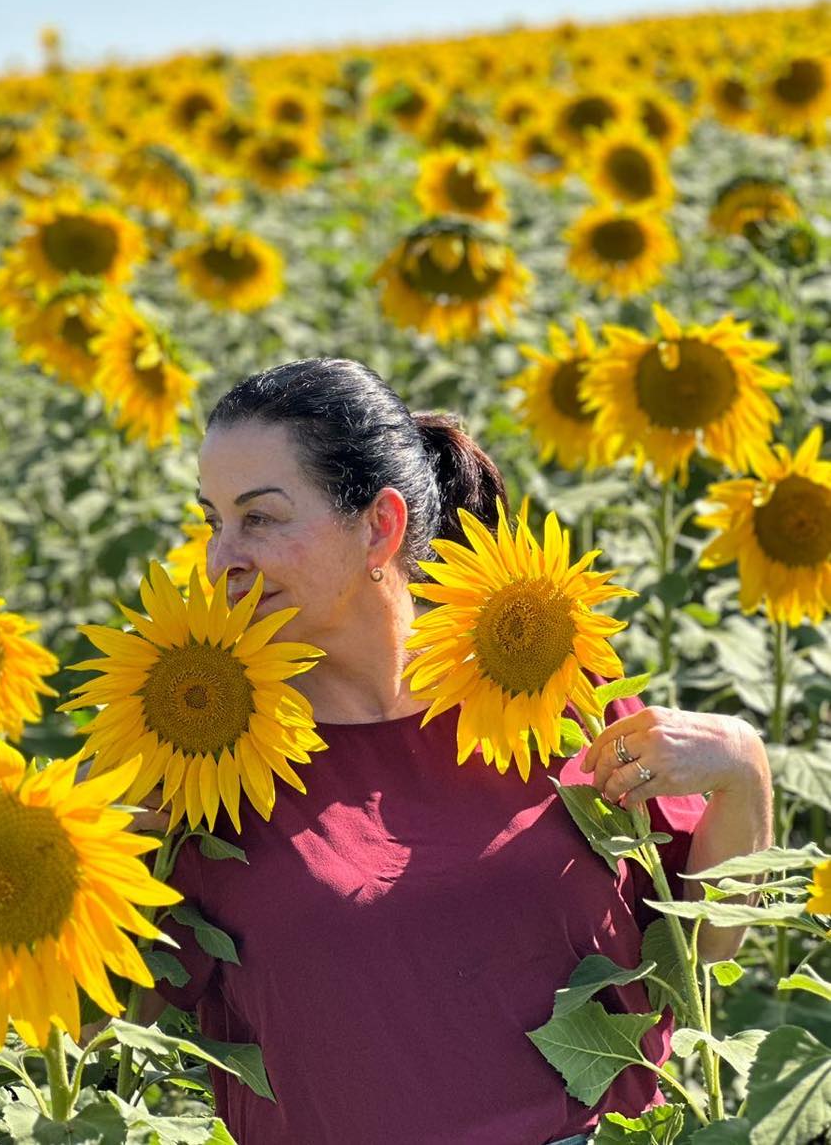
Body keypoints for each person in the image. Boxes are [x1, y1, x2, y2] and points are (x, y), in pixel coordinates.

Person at [137, 358, 773, 1145]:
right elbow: (121, 1027)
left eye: (258, 519)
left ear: (380, 525)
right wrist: (117, 852)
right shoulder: (207, 748)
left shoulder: (539, 674)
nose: (220, 556)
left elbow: (696, 950)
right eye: (212, 520)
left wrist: (742, 770)